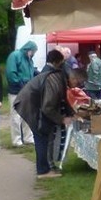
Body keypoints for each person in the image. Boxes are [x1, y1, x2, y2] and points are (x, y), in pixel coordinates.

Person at [34, 49, 71, 179]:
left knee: (45, 141)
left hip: (38, 112)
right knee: (43, 142)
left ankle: (47, 167)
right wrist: (61, 119)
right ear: (56, 62)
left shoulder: (45, 72)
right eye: (61, 62)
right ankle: (44, 170)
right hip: (40, 114)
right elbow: (47, 106)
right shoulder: (50, 75)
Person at [5, 40, 38, 146]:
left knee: (28, 114)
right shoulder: (15, 56)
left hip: (28, 90)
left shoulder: (29, 60)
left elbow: (31, 72)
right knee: (16, 115)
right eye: (33, 51)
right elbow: (11, 72)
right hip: (16, 90)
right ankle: (17, 140)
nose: (33, 54)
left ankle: (28, 138)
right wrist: (19, 83)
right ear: (28, 49)